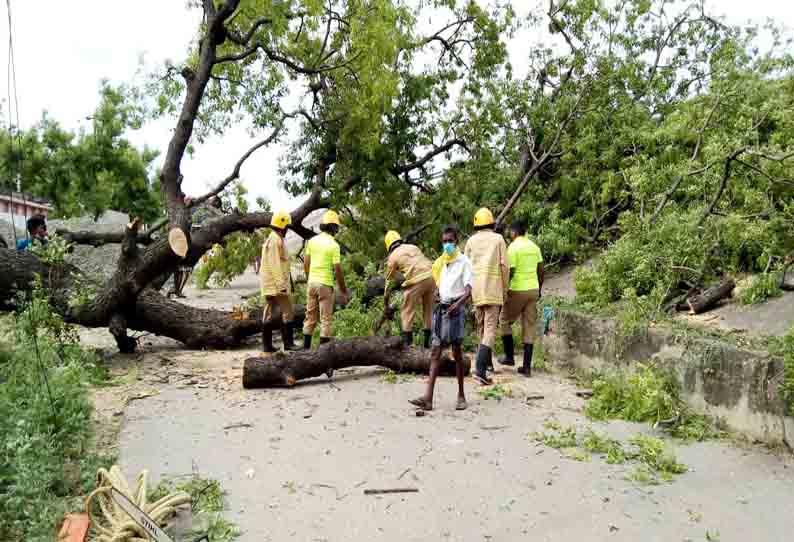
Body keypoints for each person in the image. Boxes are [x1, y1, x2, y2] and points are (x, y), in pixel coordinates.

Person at [409, 225, 472, 411]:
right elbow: (440, 286)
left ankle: (461, 395)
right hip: (442, 310)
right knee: (435, 352)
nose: (447, 245)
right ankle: (428, 397)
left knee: (457, 352)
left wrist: (458, 304)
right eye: (444, 241)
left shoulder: (464, 262)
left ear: (456, 241)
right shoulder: (441, 263)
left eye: (450, 241)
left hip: (456, 311)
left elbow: (469, 290)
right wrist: (437, 294)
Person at [464, 207, 509, 385]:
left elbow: (465, 267)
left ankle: (486, 364)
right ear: (492, 222)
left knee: (481, 328)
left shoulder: (470, 242)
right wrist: (505, 289)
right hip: (493, 289)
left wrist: (466, 292)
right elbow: (504, 267)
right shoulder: (498, 239)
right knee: (490, 330)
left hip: (476, 291)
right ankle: (480, 369)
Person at [497, 219, 545, 376]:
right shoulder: (534, 247)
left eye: (510, 232)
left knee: (504, 320)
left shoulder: (513, 247)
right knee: (529, 327)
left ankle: (509, 357)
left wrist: (505, 290)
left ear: (513, 232)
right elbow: (541, 270)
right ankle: (526, 367)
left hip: (518, 290)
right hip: (533, 290)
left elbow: (510, 271)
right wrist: (539, 289)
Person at [302, 210, 350, 361]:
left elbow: (306, 262)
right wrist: (343, 290)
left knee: (310, 318)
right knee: (326, 320)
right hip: (325, 285)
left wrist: (310, 277)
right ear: (334, 228)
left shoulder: (312, 241)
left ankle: (304, 352)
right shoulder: (334, 245)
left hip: (311, 283)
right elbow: (337, 270)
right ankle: (324, 358)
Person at [383, 230, 436, 348]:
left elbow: (388, 282)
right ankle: (427, 345)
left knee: (406, 312)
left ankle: (408, 346)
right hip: (431, 277)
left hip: (416, 280)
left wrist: (386, 303)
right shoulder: (413, 247)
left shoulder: (392, 257)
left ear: (389, 246)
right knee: (428, 311)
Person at [169, 195, 225, 298]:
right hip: (190, 242)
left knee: (185, 269)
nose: (209, 200)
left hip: (197, 245)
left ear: (216, 203)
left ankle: (178, 290)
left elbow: (207, 226)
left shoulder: (213, 214)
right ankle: (176, 290)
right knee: (181, 268)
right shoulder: (202, 209)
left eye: (211, 199)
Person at [260, 211, 299, 352]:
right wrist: (281, 285)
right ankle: (289, 344)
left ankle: (267, 345)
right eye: (287, 226)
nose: (287, 229)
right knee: (288, 311)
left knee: (268, 313)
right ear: (282, 225)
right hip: (276, 285)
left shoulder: (272, 238)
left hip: (269, 284)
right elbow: (275, 263)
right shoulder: (276, 240)